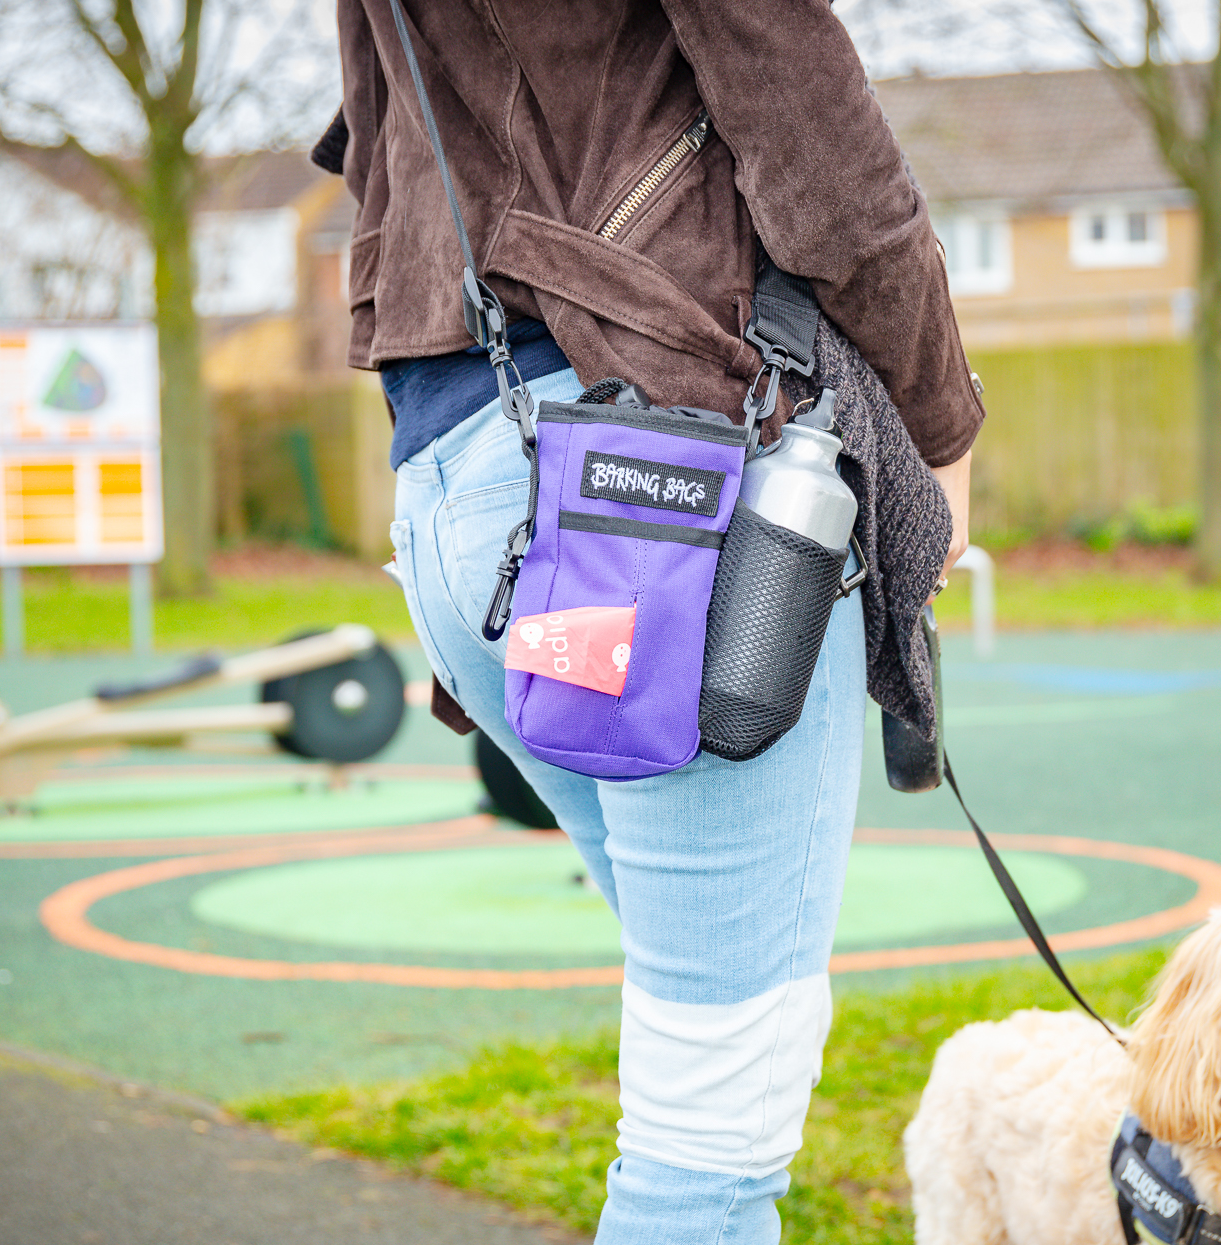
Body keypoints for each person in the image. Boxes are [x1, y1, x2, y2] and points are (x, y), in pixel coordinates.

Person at [321, 3, 984, 1240]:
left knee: (704, 1037)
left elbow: (379, 147)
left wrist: (446, 469)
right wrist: (940, 422)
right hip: (659, 471)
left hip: (466, 472)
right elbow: (814, 136)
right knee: (711, 1136)